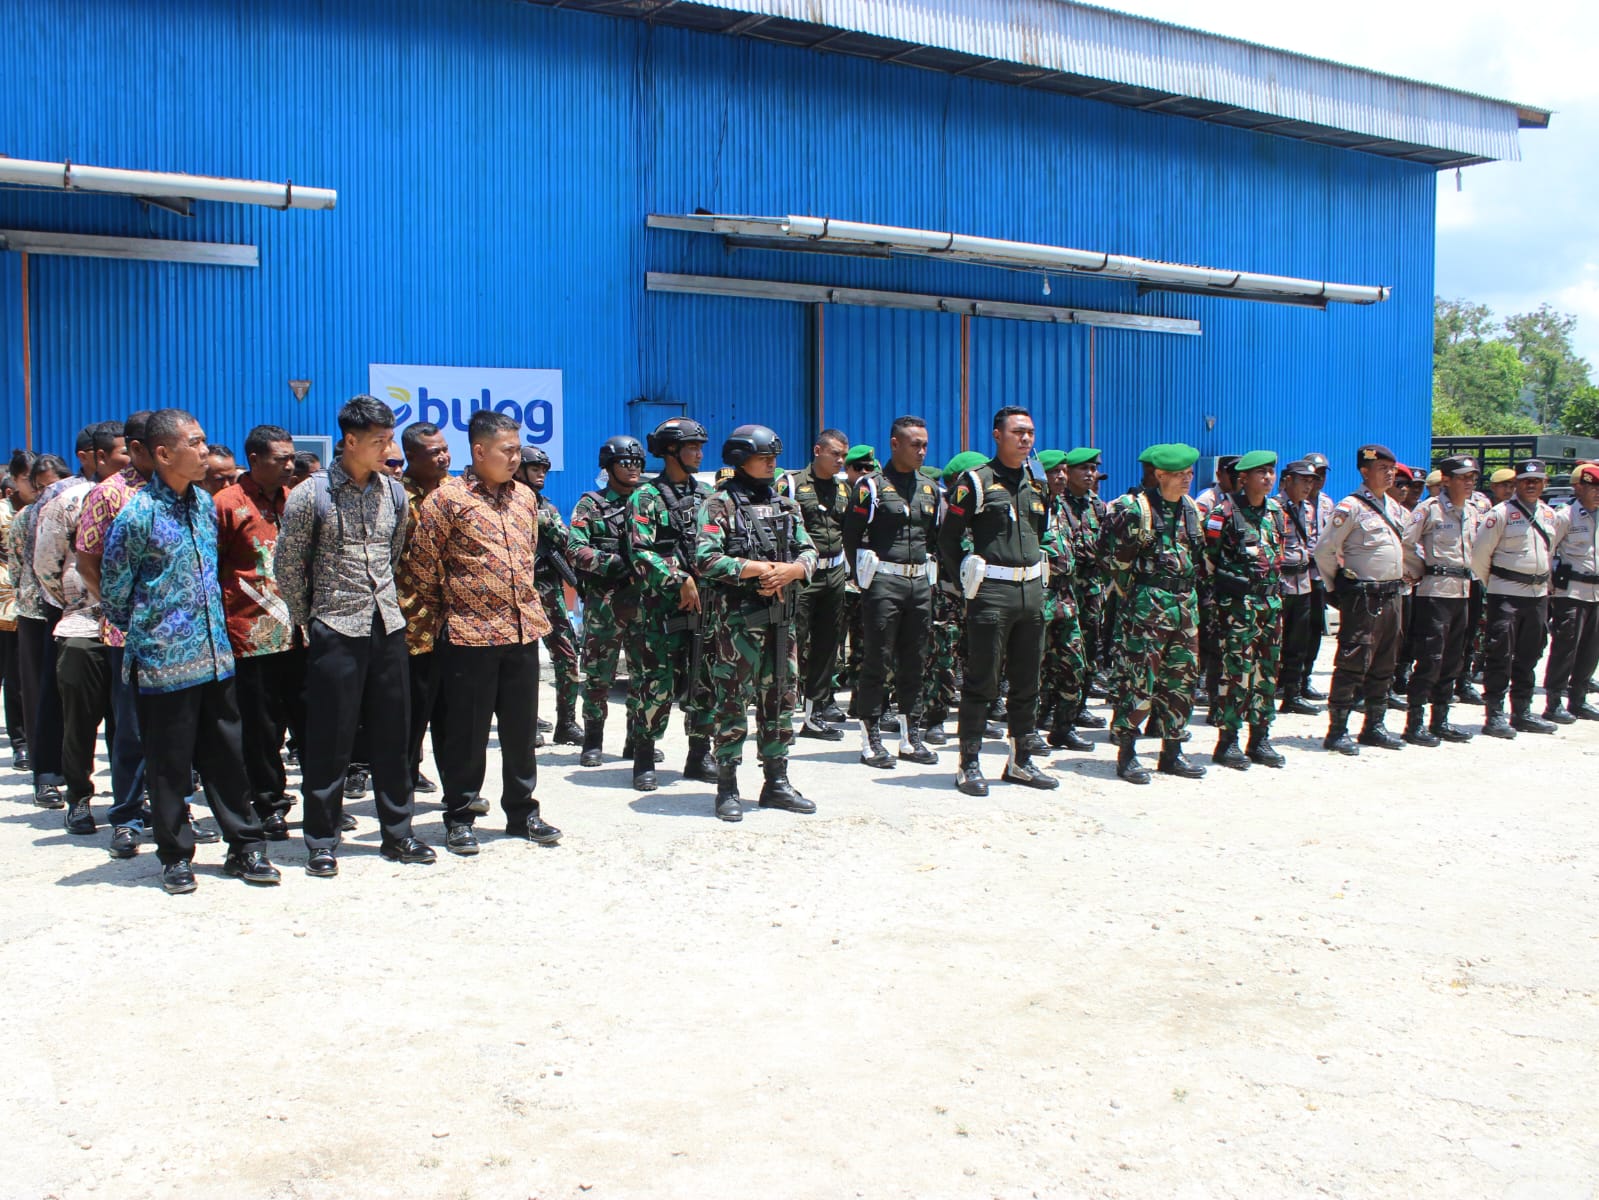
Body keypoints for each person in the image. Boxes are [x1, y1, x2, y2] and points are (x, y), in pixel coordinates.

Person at [99, 408, 279, 893]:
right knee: (169, 764)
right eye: (195, 443)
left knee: (227, 758)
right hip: (164, 665)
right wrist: (156, 634)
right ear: (163, 453)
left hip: (217, 658)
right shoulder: (137, 515)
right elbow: (114, 593)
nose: (204, 451)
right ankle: (176, 856)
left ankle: (245, 847)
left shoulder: (202, 504)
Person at [277, 395, 436, 877]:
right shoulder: (312, 494)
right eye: (380, 441)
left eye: (390, 439)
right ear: (350, 441)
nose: (389, 450)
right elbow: (289, 565)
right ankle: (322, 840)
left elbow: (393, 551)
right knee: (330, 738)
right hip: (335, 627)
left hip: (386, 626)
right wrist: (310, 620)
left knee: (394, 735)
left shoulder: (393, 494)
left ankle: (398, 833)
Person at [409, 410, 560, 854]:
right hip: (468, 636)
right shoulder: (447, 500)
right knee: (466, 734)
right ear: (479, 451)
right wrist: (457, 607)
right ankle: (460, 815)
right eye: (507, 451)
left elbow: (529, 553)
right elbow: (421, 566)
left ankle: (522, 811)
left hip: (522, 631)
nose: (515, 459)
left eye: (517, 450)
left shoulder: (525, 499)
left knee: (520, 732)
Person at [693, 425, 818, 821]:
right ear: (740, 459)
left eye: (773, 458)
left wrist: (792, 571)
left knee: (781, 699)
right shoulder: (719, 505)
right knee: (732, 701)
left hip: (782, 623)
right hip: (737, 625)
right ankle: (727, 786)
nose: (771, 464)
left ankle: (776, 782)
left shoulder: (787, 506)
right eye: (763, 457)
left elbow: (809, 552)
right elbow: (706, 559)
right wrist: (759, 569)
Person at [937, 407, 1057, 795]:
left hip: (1031, 593)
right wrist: (965, 581)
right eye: (1017, 431)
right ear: (997, 435)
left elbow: (1042, 532)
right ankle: (969, 763)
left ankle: (1020, 761)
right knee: (982, 681)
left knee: (1027, 681)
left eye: (1030, 432)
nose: (1025, 439)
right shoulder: (975, 482)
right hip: (991, 593)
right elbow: (948, 539)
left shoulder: (1037, 482)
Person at [35, 420, 129, 836]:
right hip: (84, 628)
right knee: (80, 721)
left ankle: (130, 803)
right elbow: (46, 564)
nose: (130, 458)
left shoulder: (143, 497)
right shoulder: (69, 502)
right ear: (100, 457)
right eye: (124, 452)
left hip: (130, 631)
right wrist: (79, 601)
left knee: (130, 724)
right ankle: (79, 797)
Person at [214, 425, 303, 840]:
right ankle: (269, 804)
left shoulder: (296, 500)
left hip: (301, 633)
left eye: (292, 458)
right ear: (254, 460)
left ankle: (321, 805)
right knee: (262, 729)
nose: (290, 465)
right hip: (253, 636)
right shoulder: (227, 505)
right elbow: (213, 569)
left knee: (309, 721)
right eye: (281, 459)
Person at [73, 412, 156, 856]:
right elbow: (87, 560)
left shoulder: (183, 491)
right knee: (132, 731)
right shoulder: (109, 493)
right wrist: (117, 610)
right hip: (129, 634)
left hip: (178, 637)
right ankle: (126, 816)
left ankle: (172, 809)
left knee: (175, 729)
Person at [1099, 443, 1207, 784]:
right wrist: (1135, 595)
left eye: (1189, 473)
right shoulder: (1136, 510)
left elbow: (1198, 556)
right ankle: (1127, 752)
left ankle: (1172, 750)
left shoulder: (1191, 509)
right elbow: (1114, 559)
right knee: (1138, 680)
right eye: (1179, 474)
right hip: (1147, 609)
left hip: (1184, 607)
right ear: (1159, 475)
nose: (1187, 479)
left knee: (1182, 679)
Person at [843, 415, 940, 768]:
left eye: (925, 445)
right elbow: (851, 536)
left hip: (919, 583)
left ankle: (911, 738)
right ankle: (870, 739)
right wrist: (863, 579)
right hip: (884, 582)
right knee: (877, 660)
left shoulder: (930, 488)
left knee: (915, 661)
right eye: (915, 445)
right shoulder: (871, 487)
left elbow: (934, 537)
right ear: (895, 444)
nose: (922, 451)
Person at [627, 417, 717, 789]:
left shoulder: (708, 495)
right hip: (660, 609)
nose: (699, 453)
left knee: (704, 680)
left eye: (700, 447)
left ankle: (699, 755)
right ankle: (644, 758)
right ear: (670, 451)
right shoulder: (645, 497)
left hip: (705, 606)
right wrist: (679, 579)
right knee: (657, 683)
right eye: (692, 447)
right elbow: (640, 551)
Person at [1312, 444, 1408, 754]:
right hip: (1364, 597)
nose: (1390, 474)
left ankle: (1374, 726)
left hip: (1392, 595)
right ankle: (1337, 730)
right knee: (1352, 662)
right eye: (1383, 469)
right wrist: (1337, 587)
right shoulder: (1350, 507)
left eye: (1392, 469)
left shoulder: (1394, 508)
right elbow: (1324, 550)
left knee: (1385, 662)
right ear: (1365, 472)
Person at [567, 436, 648, 768]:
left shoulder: (649, 502)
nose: (633, 468)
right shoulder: (592, 504)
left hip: (644, 602)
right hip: (605, 603)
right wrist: (613, 563)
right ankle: (593, 741)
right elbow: (575, 548)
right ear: (609, 467)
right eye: (625, 463)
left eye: (637, 463)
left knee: (644, 676)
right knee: (599, 676)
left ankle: (637, 741)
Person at [1204, 450, 1287, 769]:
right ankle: (1228, 741)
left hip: (1270, 604)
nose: (1268, 478)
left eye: (1271, 472)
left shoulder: (1276, 512)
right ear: (1244, 478)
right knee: (1237, 672)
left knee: (1267, 672)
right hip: (1237, 607)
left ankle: (1260, 737)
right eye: (1260, 473)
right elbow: (1208, 560)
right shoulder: (1224, 513)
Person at [1470, 458, 1564, 737]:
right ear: (1516, 484)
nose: (1531, 485)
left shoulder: (1549, 515)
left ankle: (1522, 712)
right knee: (1500, 654)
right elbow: (1479, 556)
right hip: (1506, 594)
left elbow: (1549, 552)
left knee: (1530, 654)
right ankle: (1495, 714)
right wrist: (1497, 584)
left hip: (1537, 595)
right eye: (1525, 481)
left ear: (1545, 483)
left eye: (1537, 481)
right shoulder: (1499, 514)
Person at [1400, 454, 1481, 745]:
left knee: (1453, 659)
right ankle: (1414, 723)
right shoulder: (1429, 509)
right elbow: (1406, 544)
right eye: (1462, 477)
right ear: (1446, 480)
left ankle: (1440, 720)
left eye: (1472, 477)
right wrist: (1419, 571)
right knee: (1430, 658)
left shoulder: (1472, 511)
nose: (1469, 482)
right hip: (1435, 593)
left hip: (1463, 591)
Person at [779, 428, 851, 739]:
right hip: (802, 576)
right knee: (790, 644)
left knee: (827, 644)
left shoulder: (843, 489)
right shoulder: (792, 484)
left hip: (834, 574)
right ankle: (780, 717)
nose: (840, 460)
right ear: (818, 451)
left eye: (844, 455)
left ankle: (814, 715)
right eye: (835, 454)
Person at [395, 421, 452, 794]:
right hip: (412, 623)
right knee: (411, 711)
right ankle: (403, 779)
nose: (444, 457)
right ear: (411, 456)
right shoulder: (396, 498)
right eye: (434, 452)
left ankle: (457, 789)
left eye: (445, 449)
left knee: (453, 713)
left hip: (457, 622)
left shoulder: (458, 492)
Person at [513, 446, 584, 746]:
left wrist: (544, 521)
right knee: (521, 661)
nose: (541, 474)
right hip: (517, 593)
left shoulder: (547, 508)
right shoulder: (506, 503)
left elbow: (568, 540)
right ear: (519, 470)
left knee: (567, 654)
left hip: (548, 588)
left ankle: (566, 722)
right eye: (535, 468)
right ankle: (523, 722)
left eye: (544, 469)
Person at [10, 454, 67, 806]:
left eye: (53, 484)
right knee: (37, 690)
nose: (48, 492)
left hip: (70, 612)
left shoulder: (73, 509)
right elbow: (19, 569)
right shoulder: (26, 518)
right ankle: (41, 766)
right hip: (35, 611)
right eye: (41, 486)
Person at [1037, 450, 1092, 752]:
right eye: (1053, 472)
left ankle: (1063, 728)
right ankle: (1029, 729)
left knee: (1074, 665)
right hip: (1038, 600)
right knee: (1033, 671)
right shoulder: (1031, 507)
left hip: (1066, 601)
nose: (1060, 476)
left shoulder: (1064, 508)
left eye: (1063, 471)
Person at [1543, 463, 1599, 722]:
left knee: (1591, 649)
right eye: (1593, 487)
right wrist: (1549, 584)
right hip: (1571, 592)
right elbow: (1547, 550)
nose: (1597, 492)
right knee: (1566, 647)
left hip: (1596, 592)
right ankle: (1554, 701)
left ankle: (1578, 699)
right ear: (1579, 488)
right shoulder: (1565, 516)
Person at [1061, 448, 1110, 714]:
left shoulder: (1097, 505)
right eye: (1084, 469)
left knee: (1091, 647)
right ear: (1068, 472)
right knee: (1063, 650)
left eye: (1093, 469)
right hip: (1065, 590)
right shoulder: (1058, 503)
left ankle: (1080, 707)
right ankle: (1055, 709)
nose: (1090, 474)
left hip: (1092, 589)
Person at [1274, 460, 1321, 716]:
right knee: (1275, 641)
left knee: (1298, 642)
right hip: (1281, 583)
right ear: (1288, 480)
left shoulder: (1309, 509)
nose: (1308, 486)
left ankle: (1292, 694)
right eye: (1303, 480)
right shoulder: (1273, 507)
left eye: (1311, 481)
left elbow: (1310, 542)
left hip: (1303, 582)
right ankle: (1268, 691)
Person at [1300, 451, 1336, 701]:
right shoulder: (1289, 503)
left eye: (1322, 474)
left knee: (1314, 630)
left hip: (1318, 576)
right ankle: (1288, 680)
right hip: (1295, 577)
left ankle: (1305, 677)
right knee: (1295, 630)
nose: (1318, 480)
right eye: (1314, 475)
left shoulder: (1327, 504)